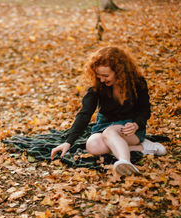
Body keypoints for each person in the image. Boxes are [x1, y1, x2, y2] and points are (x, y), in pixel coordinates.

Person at [50, 46, 166, 176]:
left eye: (105, 75)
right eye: (99, 76)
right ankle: (144, 147)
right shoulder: (98, 87)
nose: (102, 80)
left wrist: (136, 124)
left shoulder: (137, 84)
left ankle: (125, 161)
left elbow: (145, 110)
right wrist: (68, 141)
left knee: (110, 132)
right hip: (104, 125)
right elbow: (85, 113)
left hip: (130, 129)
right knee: (92, 145)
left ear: (120, 72)